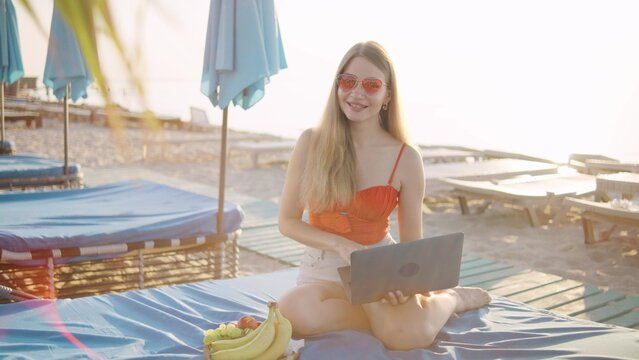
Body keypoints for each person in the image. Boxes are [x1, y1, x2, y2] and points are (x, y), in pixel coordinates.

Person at [277, 41, 491, 351]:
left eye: (372, 85)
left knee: (408, 337)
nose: (357, 93)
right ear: (337, 86)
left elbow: (411, 245)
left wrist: (404, 287)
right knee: (291, 314)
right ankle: (383, 319)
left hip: (382, 272)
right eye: (348, 81)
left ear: (387, 95)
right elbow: (287, 222)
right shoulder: (311, 142)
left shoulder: (406, 158)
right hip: (323, 269)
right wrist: (340, 245)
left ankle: (452, 299)